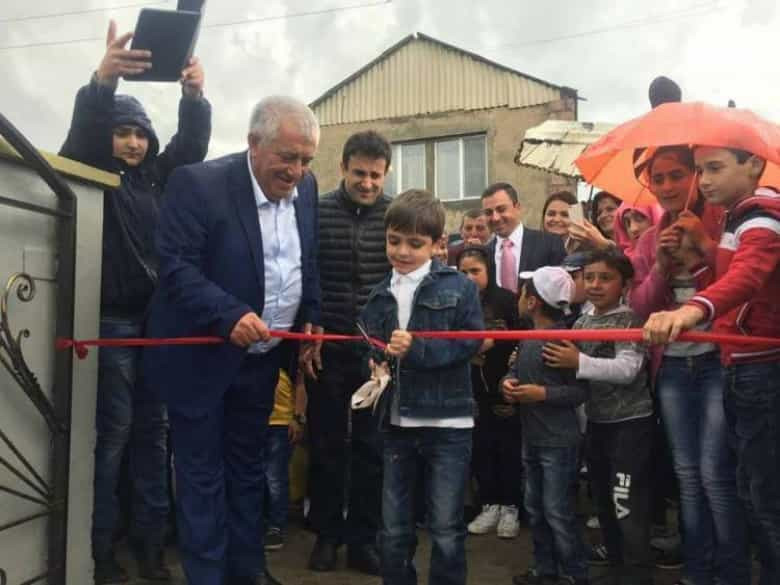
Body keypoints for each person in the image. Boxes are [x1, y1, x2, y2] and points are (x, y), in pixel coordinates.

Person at [142, 96, 321, 585]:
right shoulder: (197, 185)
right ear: (253, 144)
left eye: (306, 160)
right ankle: (206, 576)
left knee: (247, 470)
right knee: (202, 475)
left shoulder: (307, 190)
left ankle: (248, 570)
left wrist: (311, 316)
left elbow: (307, 261)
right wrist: (228, 314)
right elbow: (174, 266)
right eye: (287, 157)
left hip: (262, 360)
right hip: (201, 360)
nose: (296, 172)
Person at [59, 20, 211, 584]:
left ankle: (150, 549)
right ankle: (99, 553)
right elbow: (82, 132)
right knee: (114, 438)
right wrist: (103, 82)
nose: (132, 142)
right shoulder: (91, 170)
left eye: (140, 134)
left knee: (154, 436)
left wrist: (193, 97)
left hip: (157, 325)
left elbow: (190, 148)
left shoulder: (156, 179)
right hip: (112, 324)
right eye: (122, 132)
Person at [643, 145, 780, 585]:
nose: (704, 180)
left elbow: (746, 277)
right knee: (741, 487)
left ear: (754, 165)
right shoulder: (736, 216)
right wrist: (673, 263)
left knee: (754, 492)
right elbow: (727, 279)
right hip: (734, 361)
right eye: (701, 170)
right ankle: (704, 571)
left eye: (713, 168)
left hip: (754, 363)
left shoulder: (759, 213)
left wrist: (691, 308)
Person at [359, 189, 484, 585]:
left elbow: (471, 342)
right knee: (394, 531)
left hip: (449, 424)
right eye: (394, 240)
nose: (402, 251)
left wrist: (417, 349)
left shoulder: (460, 287)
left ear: (437, 243)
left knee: (445, 528)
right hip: (396, 426)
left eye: (414, 243)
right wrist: (376, 365)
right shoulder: (377, 295)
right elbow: (370, 346)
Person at [304, 130, 392, 575]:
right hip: (327, 348)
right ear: (342, 168)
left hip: (376, 354)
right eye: (359, 173)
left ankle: (364, 540)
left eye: (375, 175)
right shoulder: (315, 213)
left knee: (372, 449)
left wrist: (389, 342)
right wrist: (308, 326)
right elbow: (304, 272)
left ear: (386, 174)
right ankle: (326, 535)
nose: (367, 183)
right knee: (325, 445)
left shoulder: (395, 216)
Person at [544, 250, 654, 585]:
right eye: (588, 277)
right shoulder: (582, 322)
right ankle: (617, 564)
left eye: (605, 278)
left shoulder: (630, 320)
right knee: (603, 500)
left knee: (625, 501)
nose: (595, 284)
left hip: (630, 425)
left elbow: (628, 369)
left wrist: (578, 362)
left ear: (625, 284)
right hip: (596, 424)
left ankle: (637, 574)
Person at [502, 266, 588, 585]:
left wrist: (543, 394)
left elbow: (579, 392)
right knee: (536, 508)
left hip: (558, 442)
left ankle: (574, 573)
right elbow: (516, 372)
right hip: (533, 438)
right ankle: (545, 569)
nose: (518, 297)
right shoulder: (529, 339)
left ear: (532, 302)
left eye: (523, 291)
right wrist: (507, 383)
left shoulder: (560, 341)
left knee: (557, 511)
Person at [456, 246, 522, 539]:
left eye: (475, 271)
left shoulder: (506, 300)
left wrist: (495, 340)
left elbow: (520, 338)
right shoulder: (454, 300)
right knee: (481, 448)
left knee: (507, 449)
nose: (469, 277)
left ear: (488, 271)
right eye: (463, 272)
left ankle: (511, 507)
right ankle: (489, 504)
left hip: (505, 387)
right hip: (469, 389)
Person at [480, 182, 566, 293]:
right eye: (488, 213)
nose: (495, 218)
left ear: (517, 207)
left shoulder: (550, 244)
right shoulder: (484, 254)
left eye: (501, 209)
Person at [262, 365, 306, 552]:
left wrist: (297, 418)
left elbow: (300, 383)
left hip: (281, 422)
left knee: (275, 478)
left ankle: (276, 525)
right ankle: (260, 521)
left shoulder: (288, 355)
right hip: (254, 419)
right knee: (256, 475)